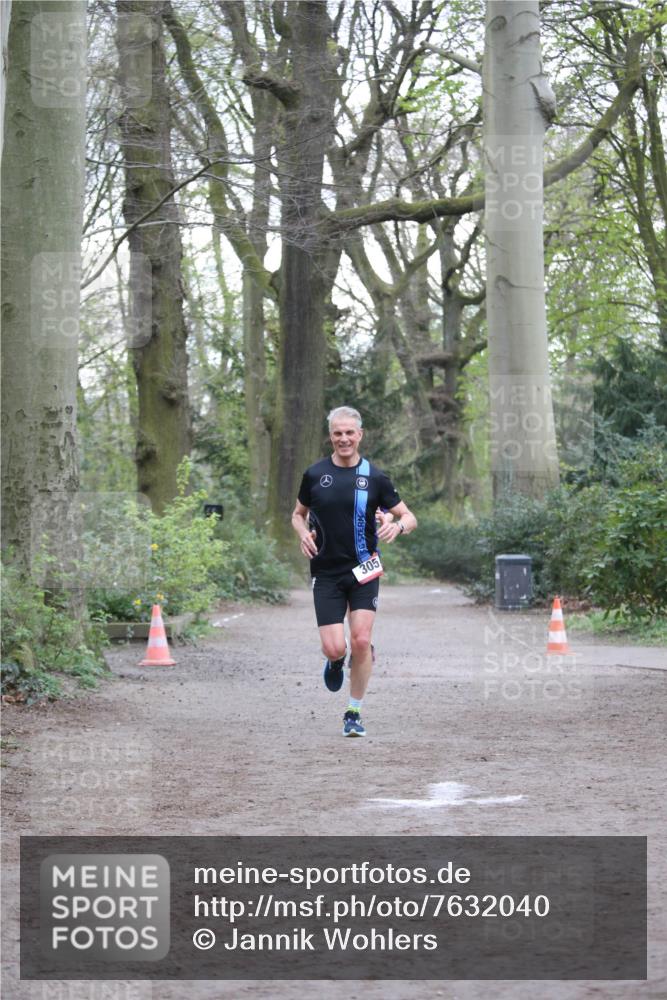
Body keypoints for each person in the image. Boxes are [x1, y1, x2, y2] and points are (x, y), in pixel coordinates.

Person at [291, 406, 417, 737]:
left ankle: (353, 712)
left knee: (362, 639)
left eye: (350, 432)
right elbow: (296, 514)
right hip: (327, 572)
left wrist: (398, 526)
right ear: (330, 436)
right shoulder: (315, 475)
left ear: (359, 435)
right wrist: (303, 534)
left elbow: (408, 516)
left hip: (364, 569)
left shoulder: (375, 477)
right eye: (337, 433)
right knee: (336, 647)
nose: (344, 438)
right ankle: (335, 661)